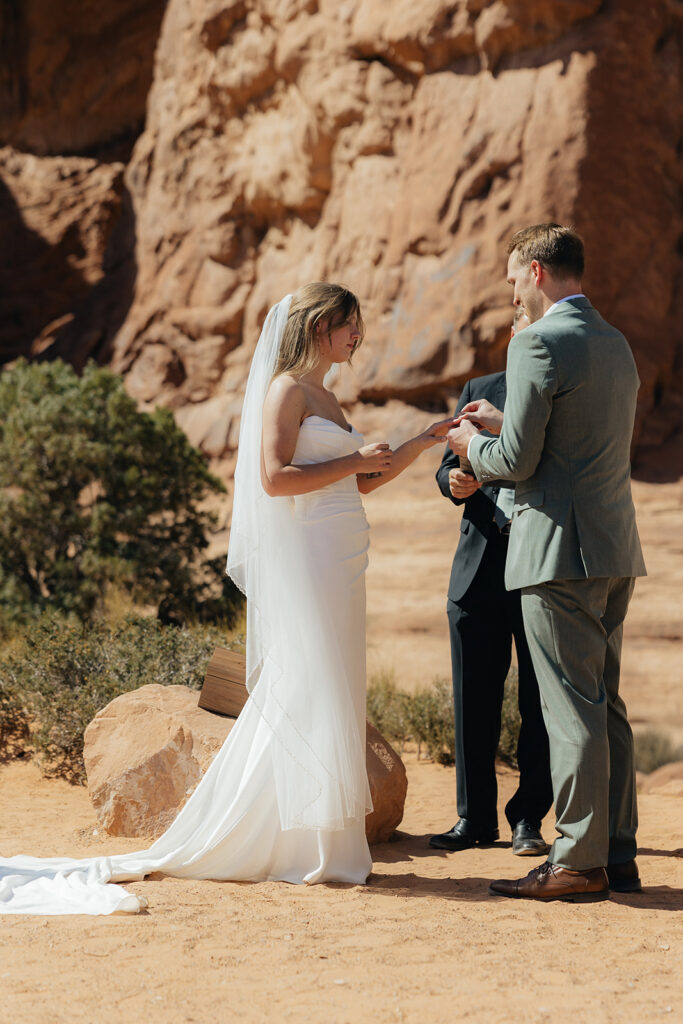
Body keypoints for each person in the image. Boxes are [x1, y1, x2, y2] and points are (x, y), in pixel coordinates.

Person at [0, 282, 453, 915]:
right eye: (350, 324)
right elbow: (274, 479)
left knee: (333, 687)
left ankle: (322, 840)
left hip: (342, 558)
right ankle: (301, 845)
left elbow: (363, 481)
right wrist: (352, 463)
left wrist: (425, 440)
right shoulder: (286, 390)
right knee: (307, 684)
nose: (359, 335)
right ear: (320, 326)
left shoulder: (327, 395)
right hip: (310, 560)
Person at [447, 224, 646, 902]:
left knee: (570, 711)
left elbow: (515, 465)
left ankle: (575, 862)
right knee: (604, 705)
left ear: (534, 272)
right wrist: (506, 426)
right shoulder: (614, 343)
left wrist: (471, 443)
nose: (511, 294)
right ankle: (616, 853)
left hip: (554, 551)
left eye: (510, 280)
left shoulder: (533, 342)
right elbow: (577, 439)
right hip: (612, 547)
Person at [429, 308, 553, 857]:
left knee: (537, 703)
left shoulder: (558, 385)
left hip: (537, 567)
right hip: (476, 569)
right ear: (513, 333)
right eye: (522, 321)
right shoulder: (480, 388)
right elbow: (444, 464)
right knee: (472, 699)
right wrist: (452, 481)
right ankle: (474, 818)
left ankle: (528, 819)